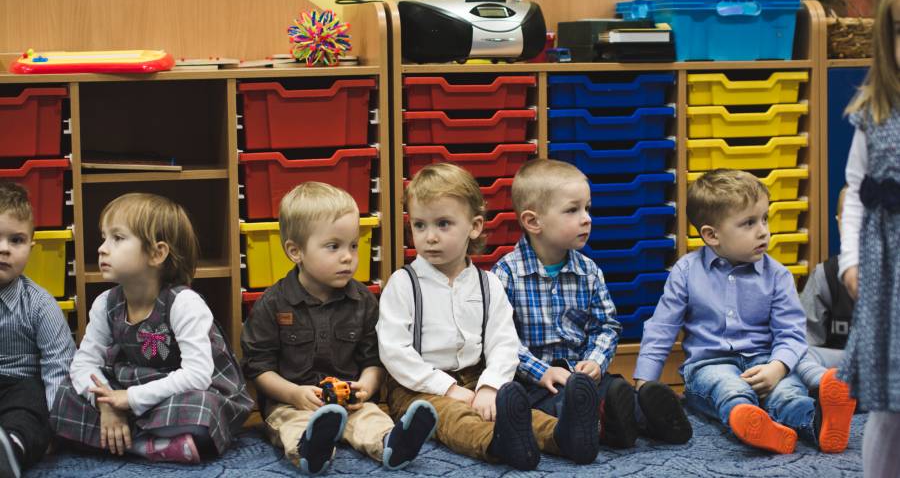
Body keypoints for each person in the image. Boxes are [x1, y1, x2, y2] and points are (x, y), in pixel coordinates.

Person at [377, 163, 600, 471]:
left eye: (443, 224)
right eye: (419, 225)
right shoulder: (403, 284)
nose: (430, 237)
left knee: (516, 410)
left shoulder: (488, 283)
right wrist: (447, 388)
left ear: (475, 226)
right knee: (454, 417)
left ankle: (563, 436)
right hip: (416, 386)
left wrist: (490, 386)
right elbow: (395, 351)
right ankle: (499, 443)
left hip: (475, 375)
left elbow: (504, 342)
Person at [633, 169, 855, 455]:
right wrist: (645, 384)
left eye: (764, 218)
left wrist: (777, 367)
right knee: (728, 388)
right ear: (711, 235)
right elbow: (661, 329)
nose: (763, 231)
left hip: (765, 362)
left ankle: (819, 424)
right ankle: (752, 423)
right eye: (749, 223)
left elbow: (791, 333)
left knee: (789, 394)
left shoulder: (778, 275)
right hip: (709, 365)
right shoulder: (686, 272)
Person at [493, 159, 691, 448]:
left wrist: (595, 361)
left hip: (582, 374)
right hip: (536, 382)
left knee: (615, 390)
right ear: (533, 222)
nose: (586, 218)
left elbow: (606, 326)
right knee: (558, 407)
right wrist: (541, 371)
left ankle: (653, 419)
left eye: (587, 208)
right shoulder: (506, 274)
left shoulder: (589, 271)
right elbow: (501, 339)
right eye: (572, 210)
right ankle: (609, 425)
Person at [241, 182, 437, 475]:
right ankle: (311, 449)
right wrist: (294, 394)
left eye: (353, 245)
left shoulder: (363, 301)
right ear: (295, 251)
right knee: (293, 426)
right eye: (334, 246)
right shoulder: (273, 303)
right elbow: (258, 368)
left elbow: (374, 359)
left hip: (351, 403)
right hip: (291, 404)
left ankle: (393, 444)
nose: (348, 257)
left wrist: (366, 387)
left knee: (372, 419)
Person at [50, 193, 253, 463]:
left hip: (180, 390)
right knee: (65, 393)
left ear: (157, 253)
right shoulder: (105, 303)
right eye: (104, 237)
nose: (102, 248)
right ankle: (151, 444)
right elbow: (84, 363)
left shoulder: (184, 303)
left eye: (117, 238)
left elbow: (197, 376)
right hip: (127, 387)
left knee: (203, 409)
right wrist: (106, 404)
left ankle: (125, 441)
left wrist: (130, 399)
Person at [837, 0, 900, 478]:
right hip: (888, 278)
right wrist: (850, 261)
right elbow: (856, 194)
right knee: (888, 401)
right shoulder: (874, 114)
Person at [0, 182, 75, 478]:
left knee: (32, 400)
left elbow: (59, 365)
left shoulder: (40, 304)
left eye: (16, 240)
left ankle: (12, 447)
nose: (4, 249)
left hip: (21, 388)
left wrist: (56, 427)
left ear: (31, 248)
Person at [794, 186, 855, 391]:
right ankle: (835, 391)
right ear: (839, 223)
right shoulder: (826, 275)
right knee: (799, 355)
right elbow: (804, 341)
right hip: (843, 363)